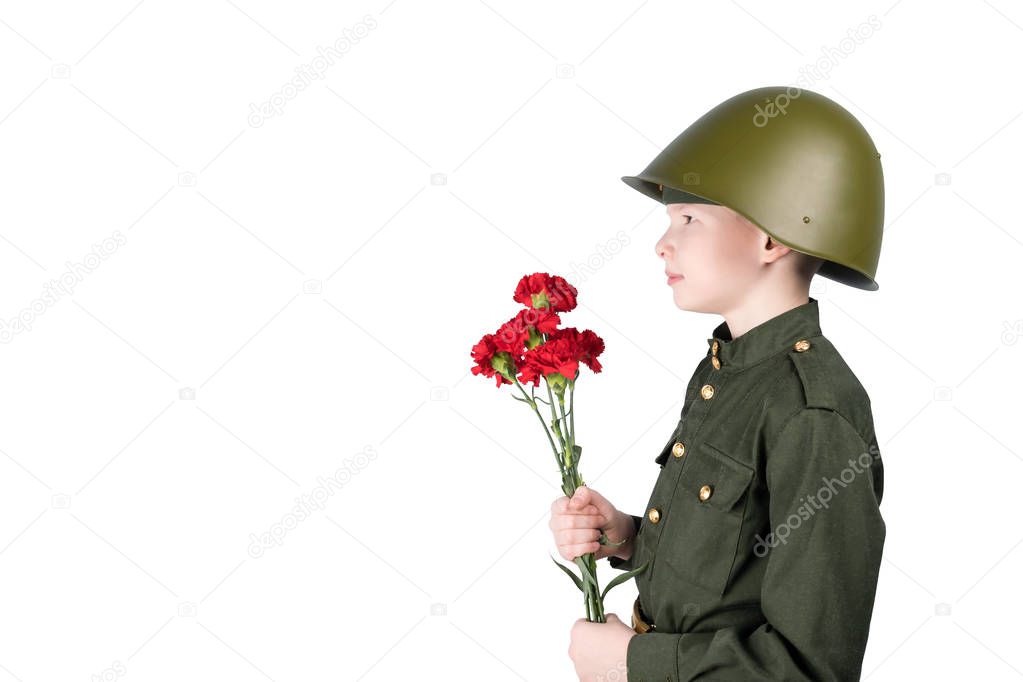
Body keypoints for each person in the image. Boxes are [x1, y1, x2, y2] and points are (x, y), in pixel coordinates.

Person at [552, 85, 887, 681]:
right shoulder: (728, 368)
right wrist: (627, 537)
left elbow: (812, 669)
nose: (663, 242)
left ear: (771, 238)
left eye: (689, 218)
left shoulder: (814, 412)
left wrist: (634, 662)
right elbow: (733, 567)